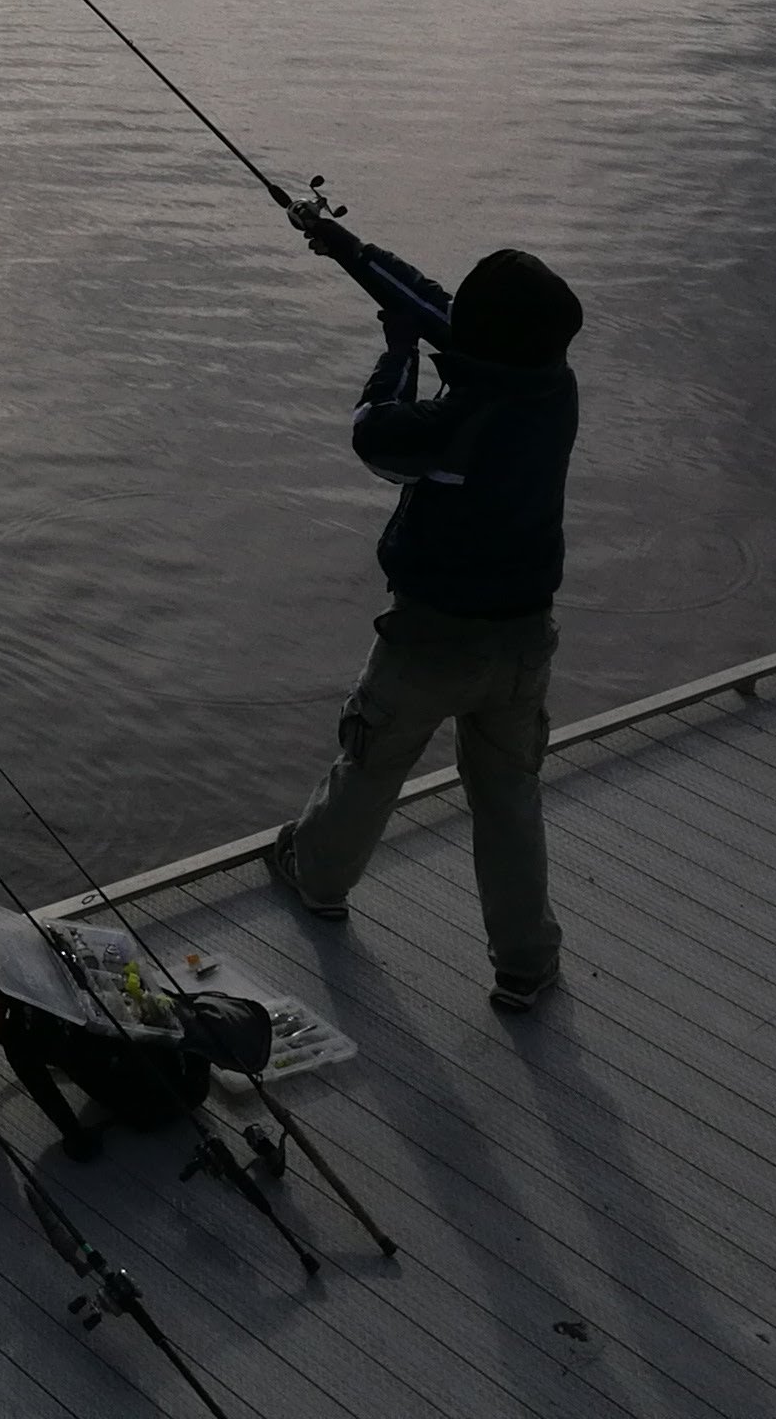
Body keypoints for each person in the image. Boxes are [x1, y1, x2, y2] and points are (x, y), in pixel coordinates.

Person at [262, 214, 583, 1012]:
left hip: (431, 640)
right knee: (508, 801)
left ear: (482, 339)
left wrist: (399, 351)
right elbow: (441, 308)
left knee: (370, 765)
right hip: (525, 642)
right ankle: (526, 963)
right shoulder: (552, 384)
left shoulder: (454, 425)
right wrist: (355, 252)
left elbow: (374, 435)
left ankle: (318, 878)